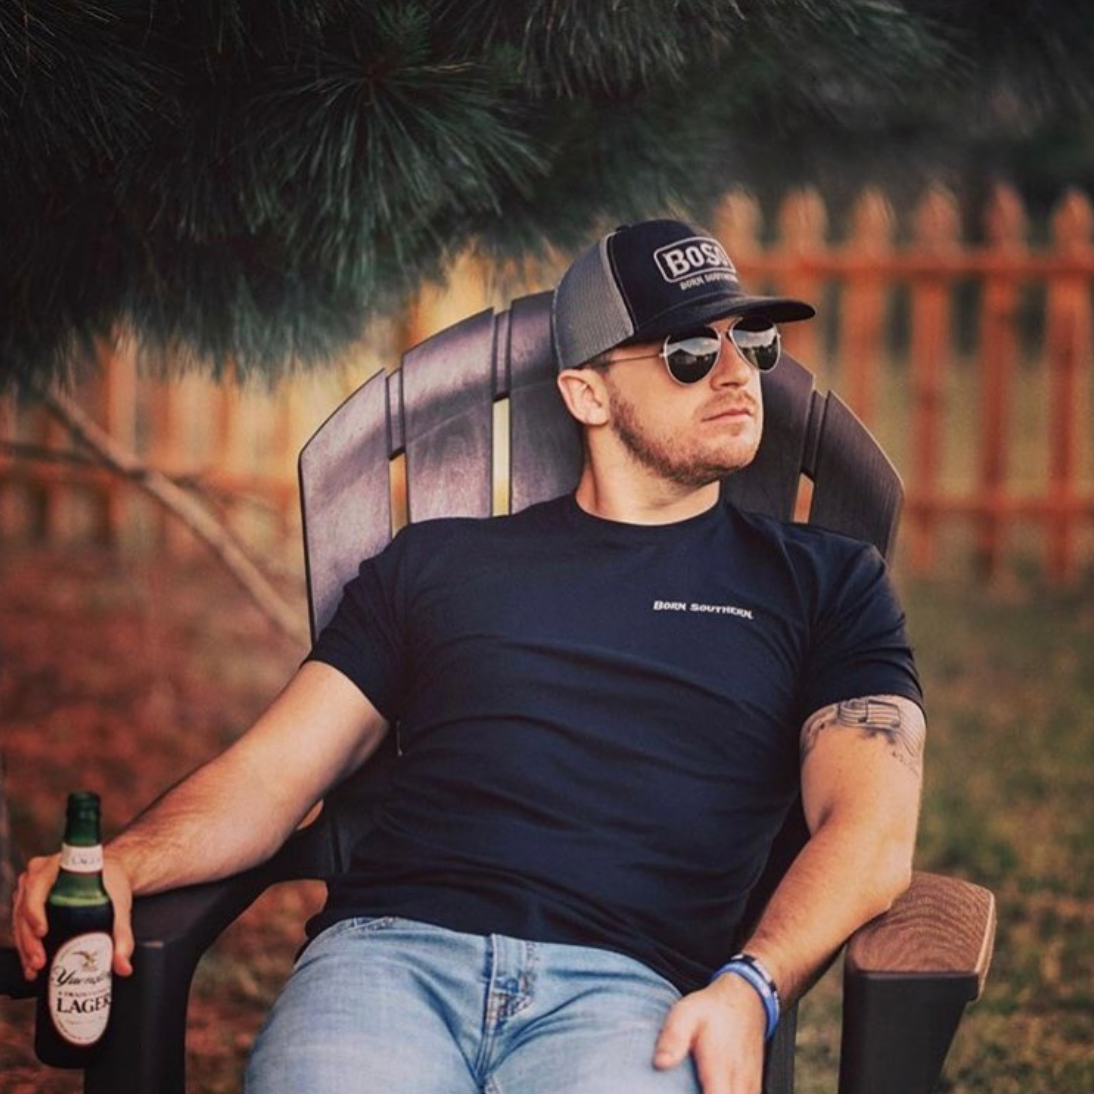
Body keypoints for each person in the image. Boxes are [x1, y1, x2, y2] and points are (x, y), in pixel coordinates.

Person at [13, 219, 926, 1094]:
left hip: (632, 995)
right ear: (586, 394)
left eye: (752, 342)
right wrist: (123, 863)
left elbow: (872, 828)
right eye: (690, 353)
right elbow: (271, 776)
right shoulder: (438, 564)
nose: (735, 374)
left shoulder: (824, 584)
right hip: (386, 963)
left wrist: (752, 987)